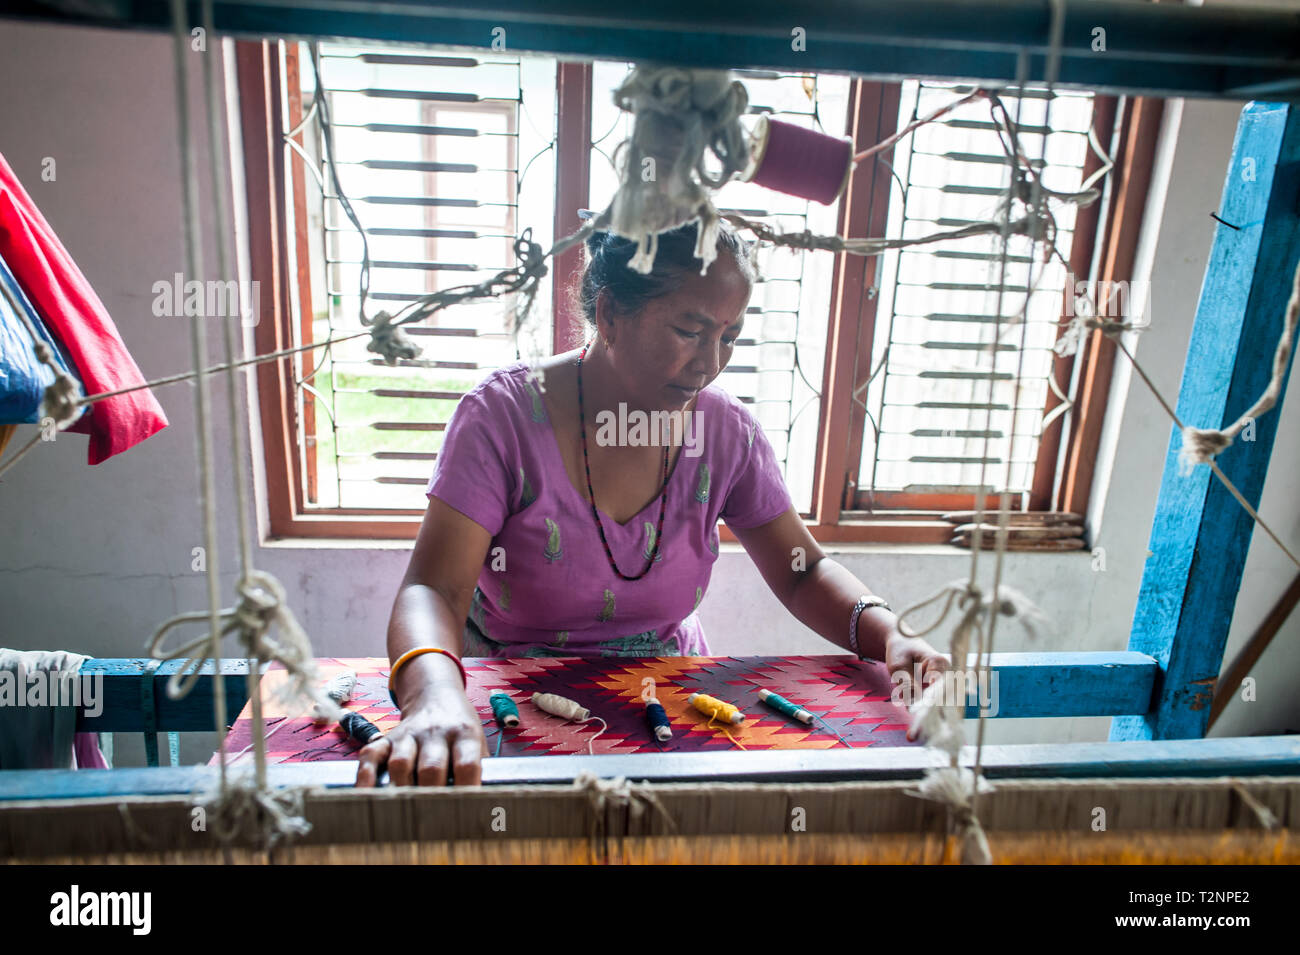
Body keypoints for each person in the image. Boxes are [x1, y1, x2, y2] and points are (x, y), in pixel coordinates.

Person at [355, 219, 949, 788]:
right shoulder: (503, 419)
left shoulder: (725, 433)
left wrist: (890, 634)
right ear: (611, 313)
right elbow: (434, 589)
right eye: (689, 332)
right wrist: (434, 695)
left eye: (730, 336)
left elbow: (805, 572)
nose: (710, 363)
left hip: (663, 703)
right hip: (509, 696)